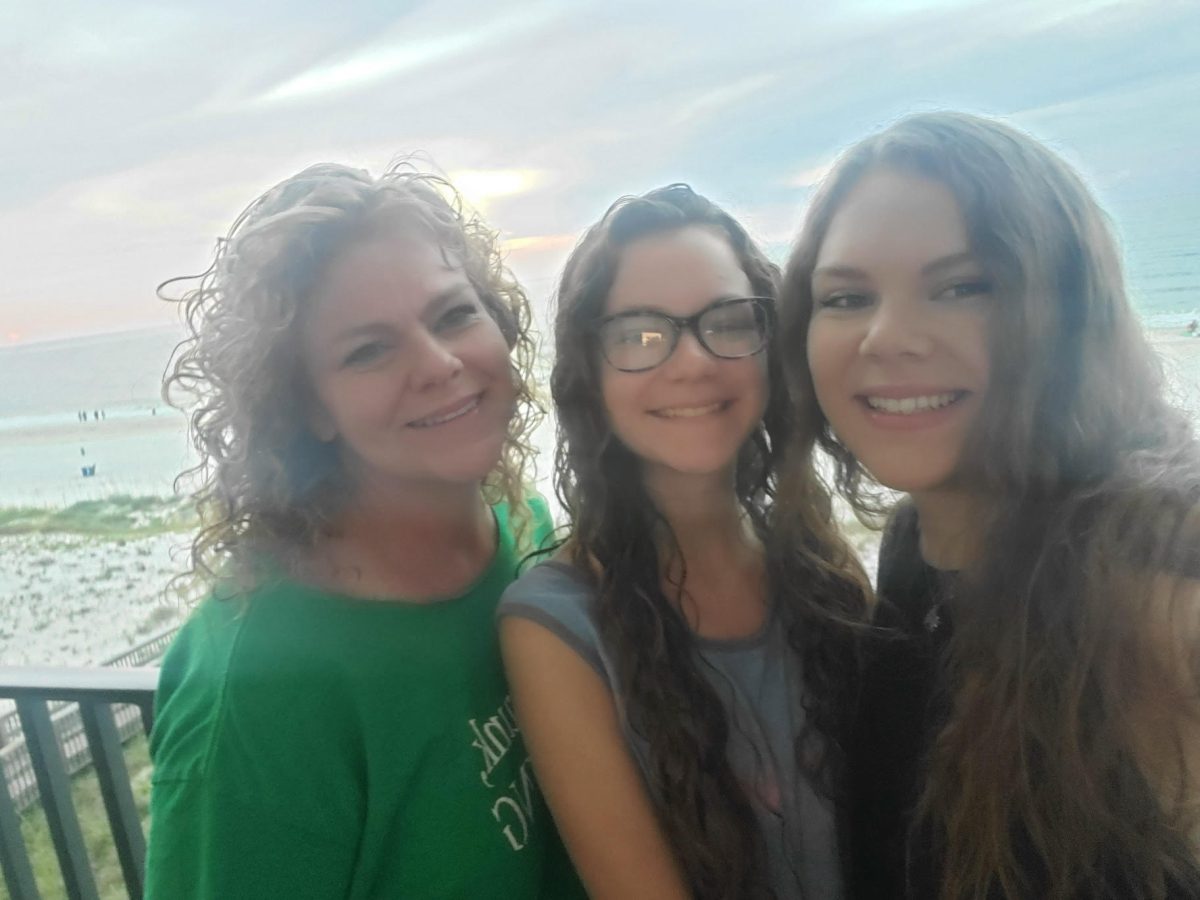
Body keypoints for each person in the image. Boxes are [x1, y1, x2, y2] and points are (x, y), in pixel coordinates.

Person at [782, 111, 1200, 899]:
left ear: (1067, 312)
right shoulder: (916, 552)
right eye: (845, 297)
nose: (888, 336)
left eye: (963, 286)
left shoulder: (1155, 593)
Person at [146, 162, 584, 899]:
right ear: (307, 407)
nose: (440, 364)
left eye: (453, 315)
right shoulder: (258, 697)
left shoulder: (523, 525)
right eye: (369, 350)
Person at [498, 184, 869, 899]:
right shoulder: (557, 626)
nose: (692, 361)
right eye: (639, 334)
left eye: (728, 321)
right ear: (591, 375)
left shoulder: (822, 569)